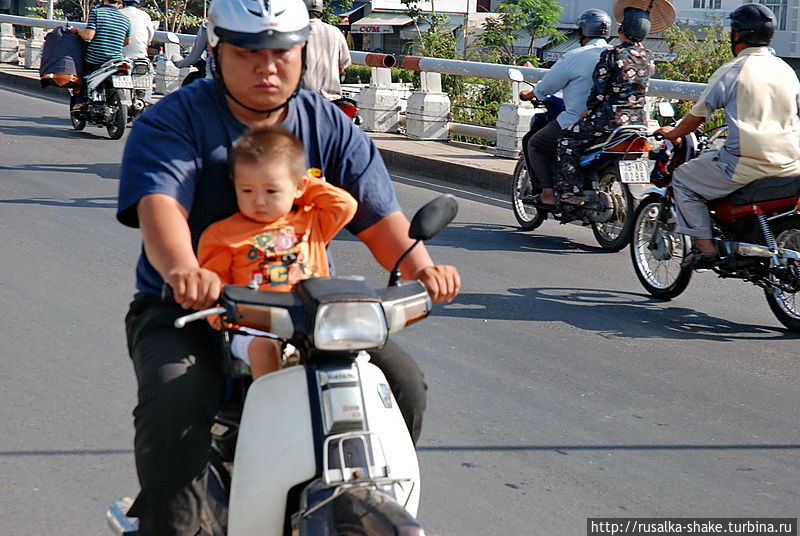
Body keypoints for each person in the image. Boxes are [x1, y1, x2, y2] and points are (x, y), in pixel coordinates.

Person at [116, 0, 460, 533]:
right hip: (191, 310)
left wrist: (422, 267)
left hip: (305, 313)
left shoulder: (328, 123)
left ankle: (363, 494)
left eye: (282, 53)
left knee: (403, 383)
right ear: (216, 48)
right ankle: (171, 524)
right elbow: (161, 208)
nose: (267, 67)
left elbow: (379, 219)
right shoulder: (174, 121)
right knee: (175, 405)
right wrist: (186, 270)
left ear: (303, 51)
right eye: (249, 53)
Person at [197, 125, 357, 378]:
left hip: (314, 319)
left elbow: (345, 204)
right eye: (247, 190)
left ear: (298, 187)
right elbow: (213, 289)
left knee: (358, 358)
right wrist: (224, 321)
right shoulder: (220, 235)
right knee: (264, 348)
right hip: (255, 325)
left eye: (271, 191)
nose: (259, 200)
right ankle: (271, 408)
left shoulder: (311, 221)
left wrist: (302, 184)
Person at [654, 3, 800, 268]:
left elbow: (698, 116)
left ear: (736, 35)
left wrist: (673, 133)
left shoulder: (734, 69)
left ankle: (706, 248)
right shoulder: (786, 69)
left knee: (684, 179)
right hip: (791, 161)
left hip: (748, 162)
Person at [555, 6, 655, 205]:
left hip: (609, 119)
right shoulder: (649, 57)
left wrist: (589, 110)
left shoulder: (612, 54)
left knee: (566, 141)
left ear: (622, 31)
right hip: (638, 121)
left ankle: (571, 191)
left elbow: (599, 91)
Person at [519, 9, 612, 210]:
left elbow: (546, 87)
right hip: (614, 122)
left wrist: (531, 94)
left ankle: (547, 195)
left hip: (580, 120)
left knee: (535, 143)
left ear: (582, 32)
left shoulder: (575, 56)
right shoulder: (616, 56)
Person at [301, 0, 351, 100]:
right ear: (322, 12)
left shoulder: (295, 32)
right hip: (332, 100)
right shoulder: (335, 32)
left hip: (302, 100)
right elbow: (342, 67)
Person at [70, 0, 131, 76]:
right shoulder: (126, 20)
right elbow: (127, 42)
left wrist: (78, 30)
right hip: (115, 62)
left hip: (95, 62)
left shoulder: (96, 12)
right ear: (119, 3)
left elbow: (88, 36)